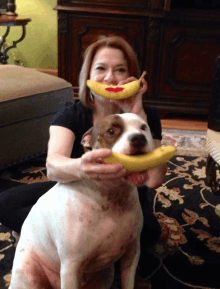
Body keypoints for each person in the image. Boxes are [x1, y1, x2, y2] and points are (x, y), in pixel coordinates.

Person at [0, 35, 167, 280]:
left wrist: (137, 112)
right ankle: (47, 236)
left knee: (149, 234)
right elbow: (53, 166)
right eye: (101, 68)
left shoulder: (145, 116)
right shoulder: (72, 113)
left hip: (126, 192)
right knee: (4, 204)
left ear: (133, 78)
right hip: (73, 189)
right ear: (87, 76)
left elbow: (153, 180)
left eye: (120, 69)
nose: (110, 77)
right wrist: (83, 167)